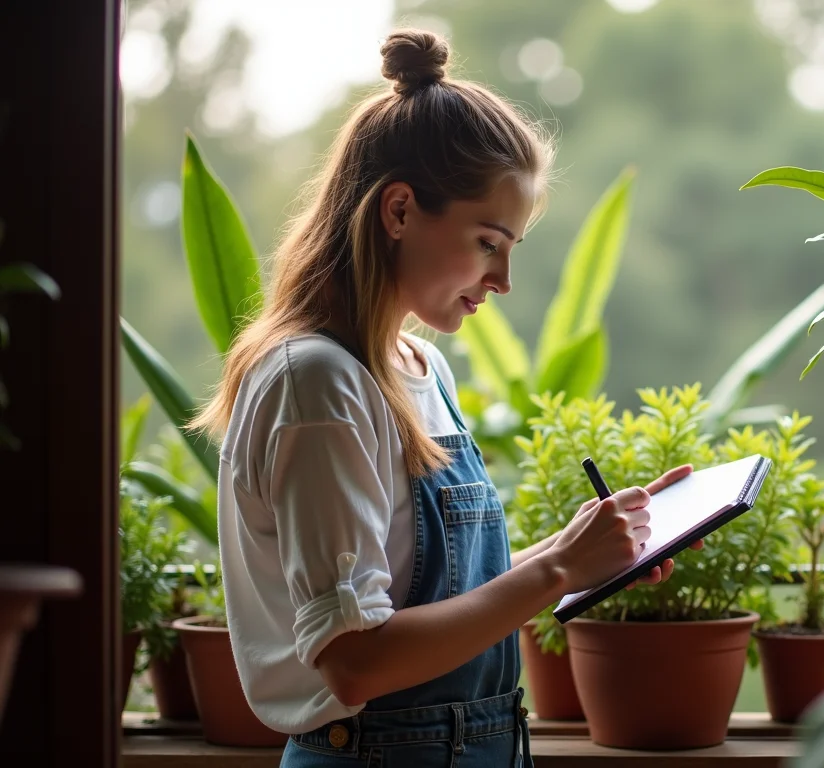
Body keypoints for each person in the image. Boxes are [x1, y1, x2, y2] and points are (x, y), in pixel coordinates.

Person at [192, 28, 698, 767]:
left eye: (511, 249)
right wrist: (554, 572)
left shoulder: (419, 366)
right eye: (488, 241)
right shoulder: (317, 383)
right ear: (398, 211)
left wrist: (579, 552)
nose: (502, 281)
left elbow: (428, 605)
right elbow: (355, 661)